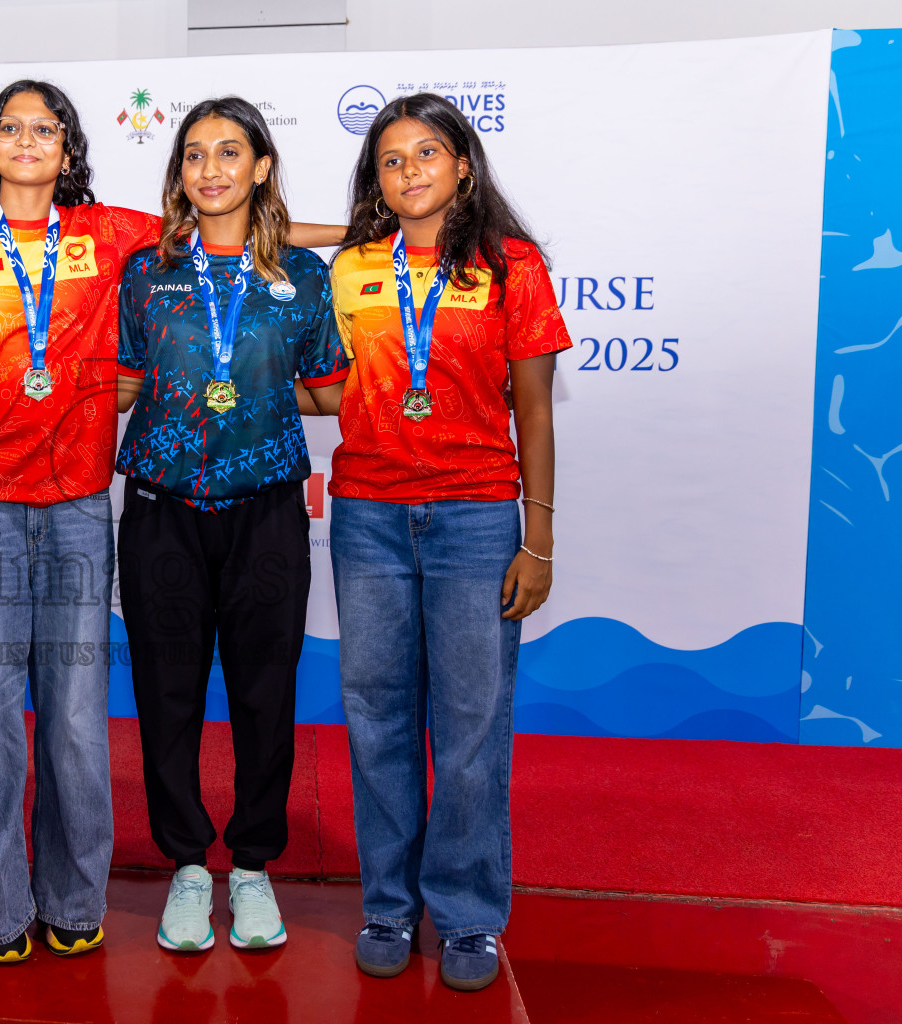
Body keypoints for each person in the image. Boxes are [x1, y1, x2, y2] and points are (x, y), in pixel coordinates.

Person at [0, 80, 341, 965]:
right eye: (12, 127)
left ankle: (74, 895)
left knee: (73, 721)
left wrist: (370, 234)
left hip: (76, 509)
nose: (28, 141)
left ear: (69, 148)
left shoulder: (111, 235)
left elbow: (231, 226)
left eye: (46, 128)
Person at [321, 92, 569, 992]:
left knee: (470, 724)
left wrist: (536, 539)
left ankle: (468, 915)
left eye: (428, 152)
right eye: (391, 159)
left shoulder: (512, 265)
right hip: (369, 516)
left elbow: (533, 407)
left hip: (474, 518)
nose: (410, 170)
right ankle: (388, 901)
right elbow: (336, 387)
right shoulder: (349, 269)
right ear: (376, 181)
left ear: (464, 163)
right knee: (377, 715)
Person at [114, 96, 348, 954]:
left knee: (263, 693)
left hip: (269, 517)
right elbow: (126, 382)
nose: (209, 169)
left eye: (227, 152)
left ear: (260, 168)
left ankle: (251, 866)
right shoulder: (146, 272)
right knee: (166, 696)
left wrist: (249, 391)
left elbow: (326, 390)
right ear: (178, 173)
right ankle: (184, 864)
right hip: (160, 512)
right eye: (192, 155)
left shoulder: (305, 278)